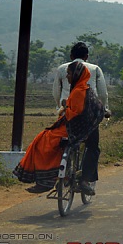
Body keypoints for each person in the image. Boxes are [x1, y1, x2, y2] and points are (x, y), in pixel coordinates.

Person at [13, 42, 108, 194]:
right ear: (87, 56)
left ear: (71, 57)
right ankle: (84, 179)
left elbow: (56, 92)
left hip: (69, 118)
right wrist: (103, 109)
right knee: (92, 147)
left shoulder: (63, 70)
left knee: (51, 141)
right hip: (87, 117)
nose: (69, 77)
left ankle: (50, 175)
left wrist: (61, 107)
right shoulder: (94, 71)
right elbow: (102, 95)